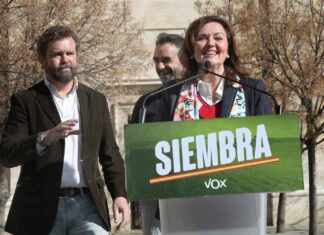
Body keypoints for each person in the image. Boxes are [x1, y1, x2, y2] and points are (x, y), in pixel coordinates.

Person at [0, 25, 130, 235]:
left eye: (70, 53)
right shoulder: (26, 101)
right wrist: (45, 138)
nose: (65, 59)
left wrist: (120, 195)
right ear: (42, 59)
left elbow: (110, 153)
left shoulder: (95, 100)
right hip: (40, 210)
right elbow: (7, 154)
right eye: (57, 54)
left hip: (87, 206)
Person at [151, 16, 271, 233]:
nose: (210, 44)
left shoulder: (254, 90)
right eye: (202, 38)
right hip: (184, 212)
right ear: (191, 48)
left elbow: (269, 148)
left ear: (229, 47)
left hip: (241, 210)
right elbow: (156, 151)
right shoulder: (169, 95)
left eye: (218, 38)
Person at [130, 33, 184, 235]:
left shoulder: (202, 97)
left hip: (197, 198)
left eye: (167, 60)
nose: (160, 67)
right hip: (156, 203)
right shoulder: (146, 103)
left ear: (185, 59)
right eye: (156, 61)